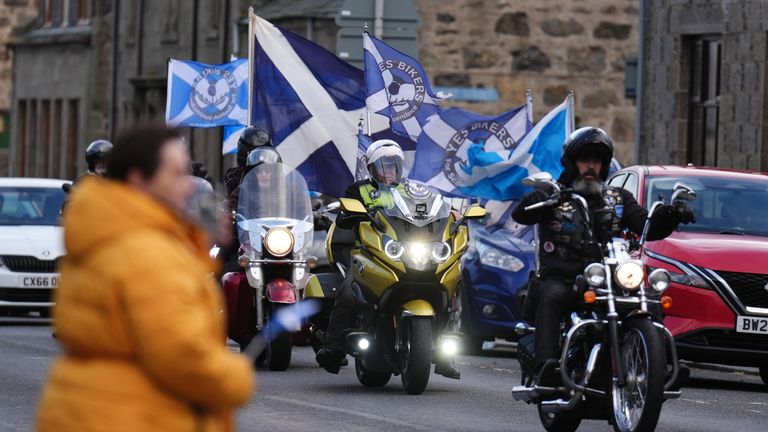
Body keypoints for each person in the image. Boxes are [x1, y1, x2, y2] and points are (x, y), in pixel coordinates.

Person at [36, 125, 254, 432]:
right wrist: (238, 378)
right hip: (134, 415)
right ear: (139, 179)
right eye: (175, 173)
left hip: (93, 408)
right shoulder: (145, 250)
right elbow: (182, 357)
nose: (187, 185)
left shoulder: (110, 231)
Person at [511, 127, 694, 382]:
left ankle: (659, 364)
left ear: (605, 165)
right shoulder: (554, 195)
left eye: (596, 161)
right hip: (564, 276)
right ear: (573, 163)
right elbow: (522, 215)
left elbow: (646, 226)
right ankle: (547, 365)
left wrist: (670, 215)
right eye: (585, 160)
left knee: (647, 298)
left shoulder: (618, 198)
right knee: (552, 294)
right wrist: (534, 199)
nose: (591, 166)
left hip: (611, 276)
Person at [223, 126, 273, 195]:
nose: (261, 156)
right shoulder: (235, 177)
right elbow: (229, 202)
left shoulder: (274, 176)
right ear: (244, 152)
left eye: (264, 151)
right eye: (256, 153)